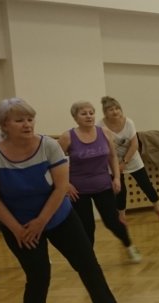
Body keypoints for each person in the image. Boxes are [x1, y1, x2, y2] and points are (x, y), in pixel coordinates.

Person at [0, 98, 127, 303]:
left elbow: (61, 187)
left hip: (59, 216)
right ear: (4, 124)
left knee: (87, 262)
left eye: (30, 119)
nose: (27, 124)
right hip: (19, 225)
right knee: (38, 274)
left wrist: (41, 221)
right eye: (19, 120)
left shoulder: (48, 145)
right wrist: (17, 229)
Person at [58, 101, 142, 263]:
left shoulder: (104, 132)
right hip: (78, 190)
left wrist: (116, 177)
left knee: (112, 222)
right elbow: (56, 163)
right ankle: (88, 259)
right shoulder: (67, 137)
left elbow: (112, 156)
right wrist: (66, 184)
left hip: (103, 185)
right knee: (86, 226)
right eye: (84, 113)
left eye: (91, 113)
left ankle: (129, 245)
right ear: (75, 117)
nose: (88, 116)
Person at [99, 96, 159, 224]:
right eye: (110, 109)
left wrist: (124, 162)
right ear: (105, 113)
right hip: (113, 161)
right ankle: (121, 215)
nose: (115, 111)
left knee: (145, 184)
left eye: (117, 108)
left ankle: (158, 208)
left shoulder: (129, 122)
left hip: (131, 158)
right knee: (120, 189)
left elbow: (134, 144)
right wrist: (116, 165)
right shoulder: (100, 126)